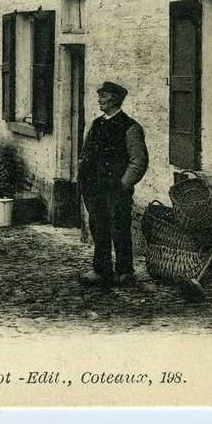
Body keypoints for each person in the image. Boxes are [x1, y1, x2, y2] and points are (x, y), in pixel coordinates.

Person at [77, 81, 149, 287]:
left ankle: (125, 271)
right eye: (99, 95)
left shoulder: (131, 127)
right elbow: (86, 153)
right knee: (98, 228)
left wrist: (123, 185)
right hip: (94, 187)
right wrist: (84, 178)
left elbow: (139, 161)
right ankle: (101, 270)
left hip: (116, 189)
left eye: (104, 96)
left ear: (116, 99)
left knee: (120, 228)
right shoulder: (96, 124)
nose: (99, 99)